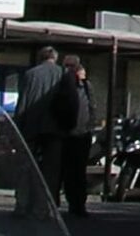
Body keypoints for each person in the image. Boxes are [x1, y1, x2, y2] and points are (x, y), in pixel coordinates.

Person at [14, 46, 64, 217]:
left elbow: (23, 102)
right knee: (51, 170)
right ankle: (45, 207)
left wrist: (18, 126)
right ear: (55, 58)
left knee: (26, 168)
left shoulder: (31, 74)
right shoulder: (62, 74)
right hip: (55, 129)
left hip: (32, 127)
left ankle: (22, 203)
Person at [53, 55, 98, 217]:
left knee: (77, 172)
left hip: (80, 134)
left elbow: (92, 107)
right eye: (68, 66)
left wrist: (89, 128)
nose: (70, 69)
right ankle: (58, 201)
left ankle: (77, 204)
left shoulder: (85, 86)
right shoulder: (60, 84)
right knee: (60, 170)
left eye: (73, 66)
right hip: (64, 134)